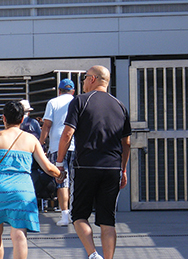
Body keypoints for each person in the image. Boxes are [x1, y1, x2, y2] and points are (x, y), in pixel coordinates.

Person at [56, 65, 131, 259]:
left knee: (79, 215)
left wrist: (59, 162)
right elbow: (127, 143)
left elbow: (68, 133)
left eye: (84, 78)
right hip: (113, 167)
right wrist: (123, 170)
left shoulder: (80, 101)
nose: (82, 83)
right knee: (108, 221)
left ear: (92, 79)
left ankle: (92, 254)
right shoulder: (120, 105)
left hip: (85, 166)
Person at [0, 101, 60, 259]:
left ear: (3, 118)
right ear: (22, 120)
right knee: (19, 235)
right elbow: (47, 167)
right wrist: (60, 173)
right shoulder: (31, 140)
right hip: (23, 191)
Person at [39, 78, 76, 226]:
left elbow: (47, 125)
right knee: (76, 181)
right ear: (73, 91)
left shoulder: (53, 102)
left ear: (59, 91)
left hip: (56, 146)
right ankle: (76, 213)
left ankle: (64, 215)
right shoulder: (77, 101)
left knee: (61, 180)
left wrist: (41, 144)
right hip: (76, 145)